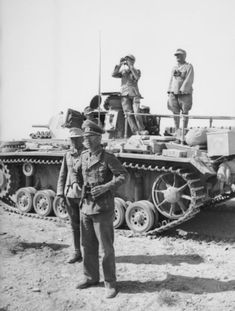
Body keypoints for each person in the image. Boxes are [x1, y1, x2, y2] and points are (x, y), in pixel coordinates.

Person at [71, 120, 128, 298]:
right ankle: (90, 278)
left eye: (89, 137)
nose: (85, 140)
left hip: (102, 207)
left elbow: (123, 175)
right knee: (87, 246)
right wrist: (75, 183)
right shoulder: (84, 156)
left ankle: (110, 283)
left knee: (105, 248)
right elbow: (74, 170)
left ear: (98, 137)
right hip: (85, 206)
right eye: (85, 137)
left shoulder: (108, 157)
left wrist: (106, 187)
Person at [56, 127, 83, 264]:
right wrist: (60, 194)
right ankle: (77, 252)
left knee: (87, 226)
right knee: (74, 225)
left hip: (85, 196)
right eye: (72, 139)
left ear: (82, 139)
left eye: (76, 139)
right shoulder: (67, 155)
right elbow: (62, 175)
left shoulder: (88, 154)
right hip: (70, 195)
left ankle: (90, 252)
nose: (74, 141)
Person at [112, 54, 148, 135]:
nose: (126, 61)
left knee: (136, 112)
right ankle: (135, 131)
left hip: (134, 94)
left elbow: (136, 77)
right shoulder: (123, 72)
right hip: (124, 94)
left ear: (132, 61)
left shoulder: (137, 70)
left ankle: (141, 129)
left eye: (128, 59)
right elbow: (113, 74)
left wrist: (131, 66)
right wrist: (120, 64)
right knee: (128, 114)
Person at [167, 48, 194, 130]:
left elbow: (189, 79)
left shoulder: (188, 66)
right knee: (175, 112)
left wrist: (182, 89)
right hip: (173, 92)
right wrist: (169, 90)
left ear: (184, 56)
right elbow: (172, 79)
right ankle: (176, 130)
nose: (177, 57)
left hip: (184, 93)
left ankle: (184, 131)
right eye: (176, 55)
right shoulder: (174, 67)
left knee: (185, 111)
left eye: (179, 55)